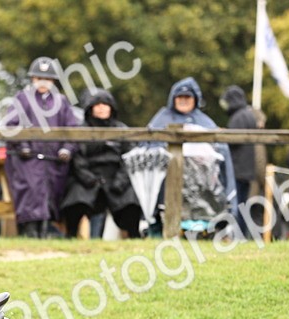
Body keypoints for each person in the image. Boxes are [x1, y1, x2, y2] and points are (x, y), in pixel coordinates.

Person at [3, 57, 78, 238]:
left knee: (51, 193)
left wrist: (67, 148)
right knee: (30, 192)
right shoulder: (22, 99)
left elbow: (73, 129)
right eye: (39, 78)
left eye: (47, 79)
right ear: (33, 79)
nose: (43, 83)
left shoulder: (61, 101)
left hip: (54, 160)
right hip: (27, 159)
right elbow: (11, 125)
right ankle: (29, 232)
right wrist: (23, 144)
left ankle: (45, 231)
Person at [147, 77, 238, 226]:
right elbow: (150, 145)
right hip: (168, 178)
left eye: (187, 97)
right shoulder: (162, 118)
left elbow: (221, 150)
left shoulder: (205, 121)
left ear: (195, 99)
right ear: (173, 99)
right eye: (180, 97)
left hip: (202, 183)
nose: (183, 100)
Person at [59, 89, 142, 239]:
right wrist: (88, 178)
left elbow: (129, 157)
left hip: (116, 178)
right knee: (75, 197)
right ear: (90, 108)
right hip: (88, 179)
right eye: (97, 104)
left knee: (131, 200)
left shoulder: (122, 130)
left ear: (112, 107)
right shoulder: (81, 130)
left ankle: (134, 236)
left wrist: (120, 181)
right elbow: (78, 158)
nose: (102, 108)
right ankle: (70, 235)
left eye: (105, 104)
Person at [220, 85, 260, 238]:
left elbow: (233, 141)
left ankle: (238, 235)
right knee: (243, 205)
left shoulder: (238, 117)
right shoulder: (248, 114)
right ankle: (241, 234)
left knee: (236, 205)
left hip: (237, 170)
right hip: (247, 169)